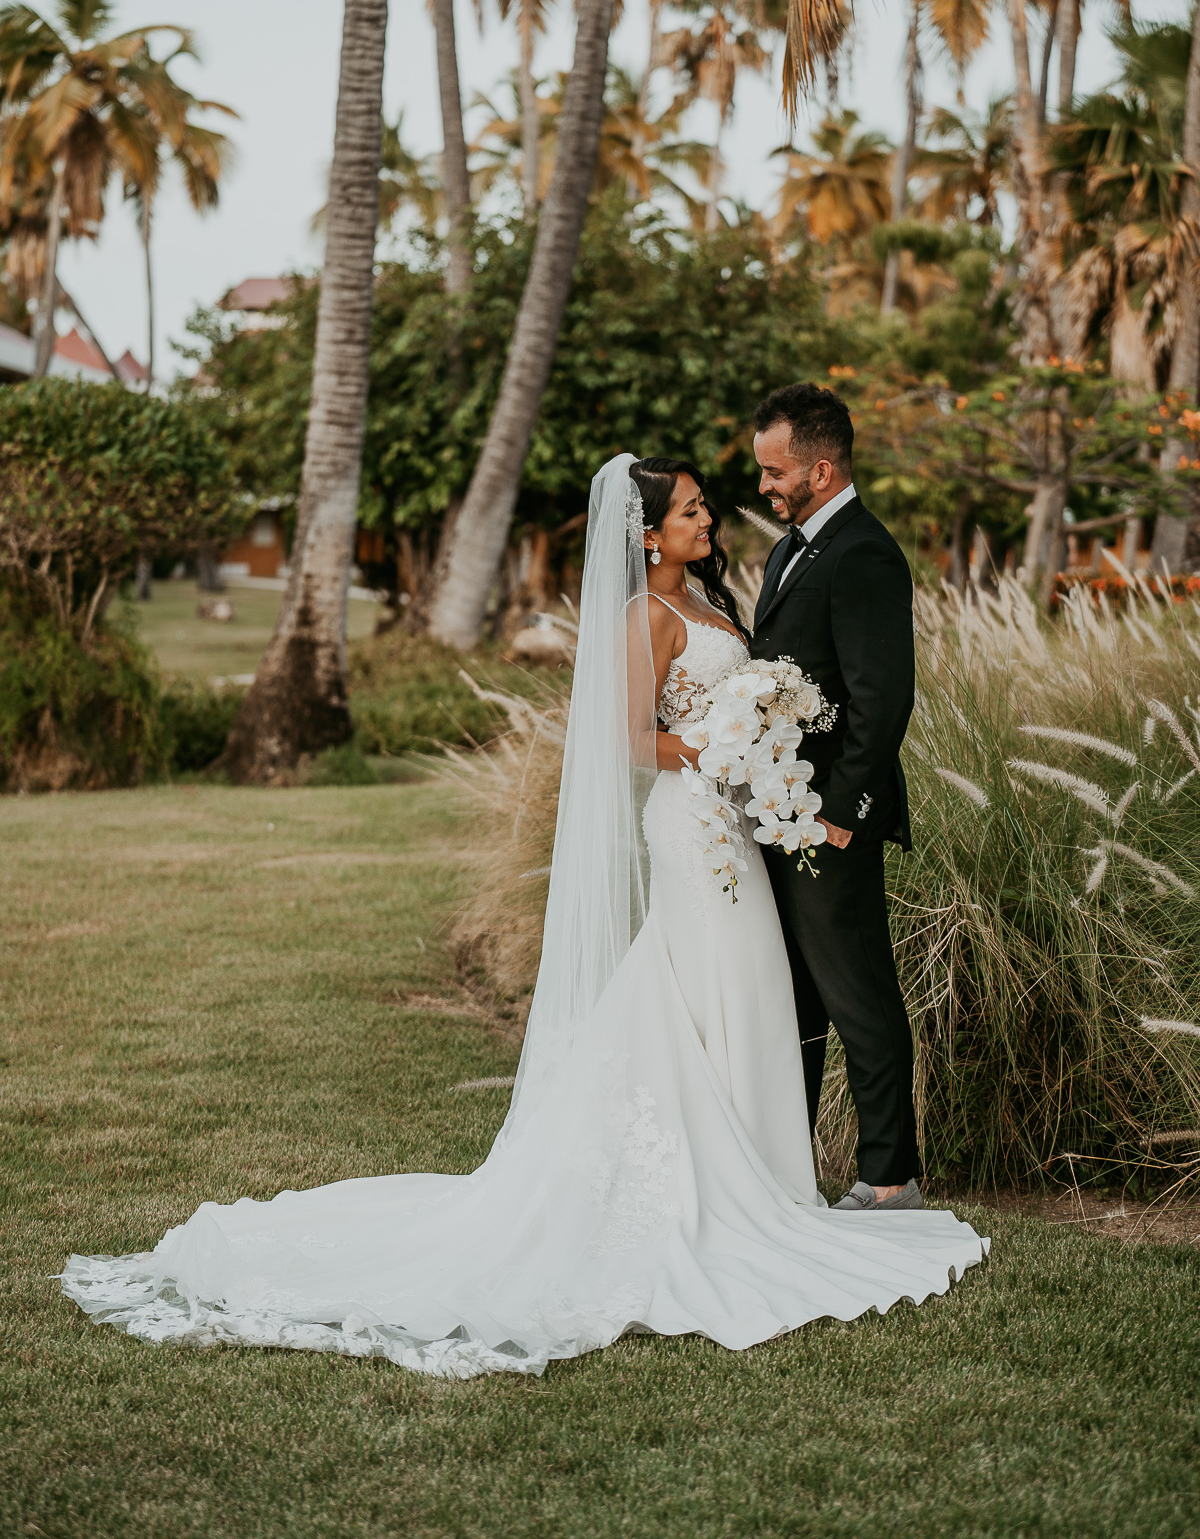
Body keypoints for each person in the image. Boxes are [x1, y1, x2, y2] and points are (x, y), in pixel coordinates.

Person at [61, 452, 984, 1380]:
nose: (712, 523)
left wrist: (756, 743)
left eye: (708, 509)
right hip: (696, 825)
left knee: (741, 989)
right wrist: (715, 745)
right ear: (648, 533)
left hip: (736, 823)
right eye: (696, 512)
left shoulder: (709, 603)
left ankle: (764, 1182)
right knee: (713, 979)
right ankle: (717, 1193)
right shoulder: (643, 617)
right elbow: (627, 740)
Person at [750, 382, 921, 1210]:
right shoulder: (792, 549)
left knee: (858, 995)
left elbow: (882, 699)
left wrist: (840, 816)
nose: (764, 487)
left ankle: (890, 1176)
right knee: (797, 999)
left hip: (828, 822)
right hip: (782, 814)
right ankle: (790, 1166)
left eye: (775, 472)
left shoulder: (864, 553)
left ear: (820, 469)